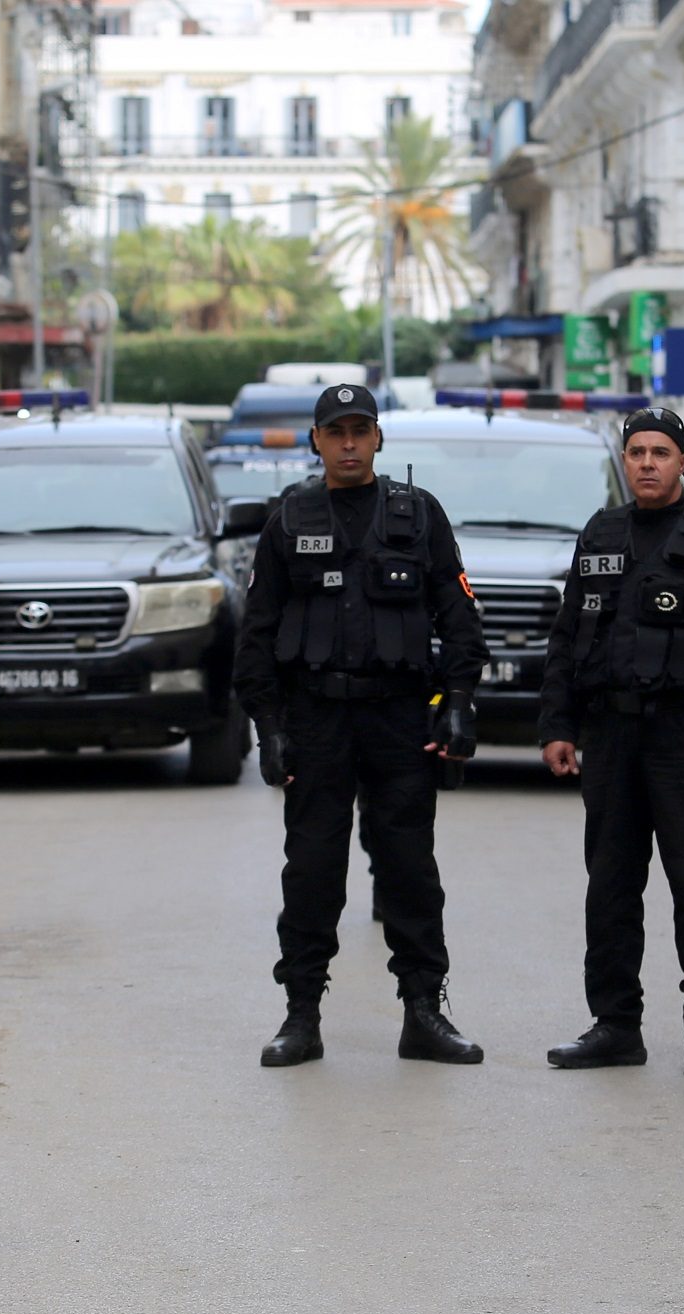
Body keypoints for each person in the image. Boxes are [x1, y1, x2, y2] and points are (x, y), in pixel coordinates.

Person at [233, 383, 488, 1068]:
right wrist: (268, 726)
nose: (348, 444)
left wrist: (457, 700)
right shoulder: (289, 521)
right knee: (312, 869)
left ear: (378, 438)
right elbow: (255, 636)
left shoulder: (419, 515)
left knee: (409, 868)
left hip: (399, 718)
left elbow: (460, 619)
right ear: (316, 441)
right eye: (335, 432)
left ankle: (424, 1010)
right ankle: (301, 1015)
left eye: (360, 431)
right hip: (316, 720)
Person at [540, 406, 684, 1076]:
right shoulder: (601, 532)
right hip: (611, 735)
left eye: (660, 452)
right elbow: (568, 635)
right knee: (611, 884)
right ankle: (616, 1024)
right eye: (637, 452)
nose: (647, 463)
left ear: (682, 461)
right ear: (625, 460)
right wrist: (557, 724)